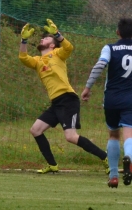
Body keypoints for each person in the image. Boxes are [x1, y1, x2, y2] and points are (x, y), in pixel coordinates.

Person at [19, 19, 109, 175]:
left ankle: (106, 158)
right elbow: (23, 58)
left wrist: (57, 34)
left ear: (52, 45)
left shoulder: (57, 54)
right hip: (56, 103)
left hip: (68, 99)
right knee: (35, 130)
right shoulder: (38, 61)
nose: (42, 39)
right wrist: (24, 40)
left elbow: (69, 47)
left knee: (71, 137)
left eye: (46, 38)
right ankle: (52, 165)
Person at [81, 17, 132, 188]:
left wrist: (88, 87)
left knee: (113, 134)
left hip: (111, 99)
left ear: (117, 32)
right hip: (130, 99)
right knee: (129, 134)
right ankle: (130, 159)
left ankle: (114, 175)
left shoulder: (110, 48)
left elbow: (99, 65)